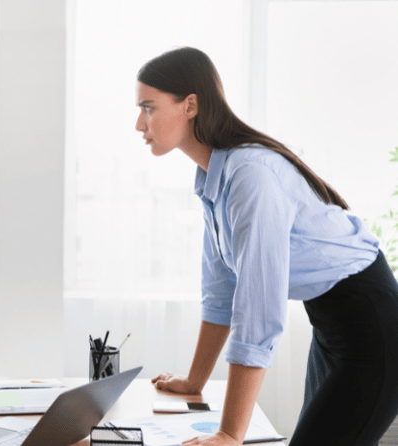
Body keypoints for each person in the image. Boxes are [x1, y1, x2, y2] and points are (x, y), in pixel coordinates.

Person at [137, 47, 398, 446]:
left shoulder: (250, 176)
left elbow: (257, 308)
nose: (140, 123)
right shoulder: (213, 177)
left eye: (149, 107)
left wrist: (229, 434)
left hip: (371, 325)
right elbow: (223, 291)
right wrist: (194, 382)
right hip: (331, 323)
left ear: (190, 105)